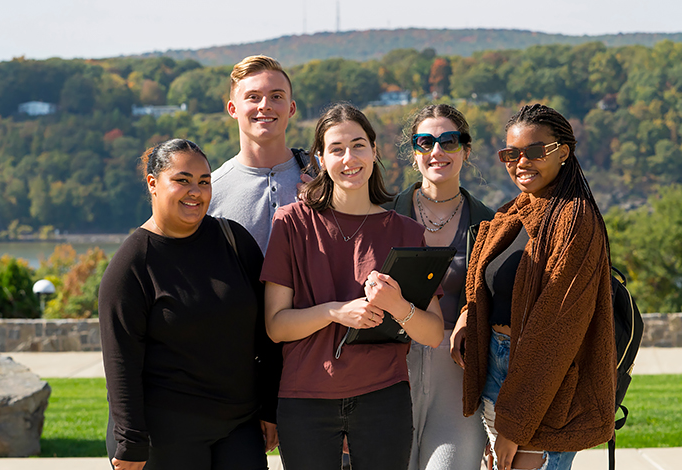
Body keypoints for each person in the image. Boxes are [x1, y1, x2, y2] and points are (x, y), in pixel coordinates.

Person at [261, 103, 445, 470]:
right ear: (320, 158)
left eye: (359, 145)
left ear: (375, 151)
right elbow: (276, 326)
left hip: (383, 398)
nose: (350, 158)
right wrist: (336, 312)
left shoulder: (407, 232)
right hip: (305, 400)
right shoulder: (291, 224)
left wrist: (397, 306)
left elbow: (434, 333)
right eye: (337, 148)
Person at [99, 138, 281, 470]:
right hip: (165, 432)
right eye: (182, 180)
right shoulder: (132, 265)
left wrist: (269, 408)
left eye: (204, 181)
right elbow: (120, 361)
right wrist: (130, 440)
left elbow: (267, 335)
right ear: (153, 184)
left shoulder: (234, 241)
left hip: (239, 425)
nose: (195, 191)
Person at [457, 104, 616, 470]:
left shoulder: (574, 219)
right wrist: (469, 315)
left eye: (535, 151)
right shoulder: (514, 212)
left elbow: (556, 331)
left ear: (563, 152)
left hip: (542, 386)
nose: (521, 162)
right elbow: (490, 285)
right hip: (500, 371)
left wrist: (514, 423)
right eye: (511, 154)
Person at [383, 104, 494, 470]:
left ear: (466, 148)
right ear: (413, 151)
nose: (437, 152)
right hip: (392, 368)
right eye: (425, 142)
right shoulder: (384, 215)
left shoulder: (491, 224)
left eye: (449, 141)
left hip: (458, 371)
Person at [207, 54, 311, 254]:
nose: (265, 105)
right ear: (232, 109)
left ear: (291, 109)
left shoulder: (324, 175)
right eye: (253, 97)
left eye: (276, 96)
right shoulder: (211, 191)